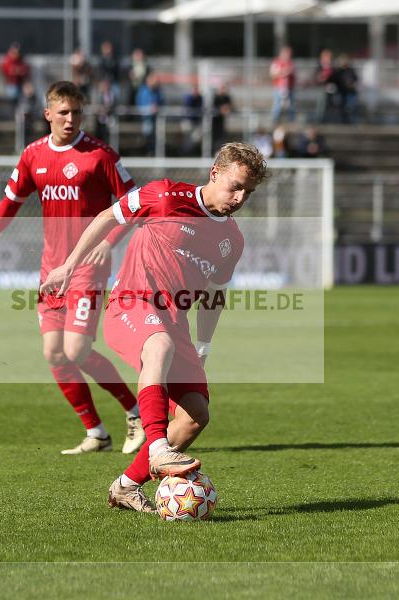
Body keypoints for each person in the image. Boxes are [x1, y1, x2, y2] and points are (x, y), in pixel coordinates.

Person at [39, 142, 269, 512]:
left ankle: (126, 486)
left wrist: (204, 345)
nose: (240, 198)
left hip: (174, 324)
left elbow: (215, 295)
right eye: (235, 187)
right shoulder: (164, 195)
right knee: (158, 346)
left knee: (195, 416)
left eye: (248, 192)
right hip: (130, 305)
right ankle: (158, 447)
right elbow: (108, 217)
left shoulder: (232, 240)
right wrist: (69, 265)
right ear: (215, 174)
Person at [0, 81, 145, 456]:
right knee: (53, 353)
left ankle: (135, 412)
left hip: (87, 267)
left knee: (76, 349)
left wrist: (107, 242)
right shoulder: (33, 155)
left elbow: (134, 203)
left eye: (76, 112)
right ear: (47, 113)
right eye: (63, 112)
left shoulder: (100, 155)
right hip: (52, 270)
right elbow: (11, 201)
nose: (70, 119)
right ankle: (96, 432)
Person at [135, 73, 163, 156]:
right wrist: (149, 109)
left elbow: (161, 102)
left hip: (155, 117)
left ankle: (152, 151)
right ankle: (147, 150)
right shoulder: (142, 91)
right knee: (148, 129)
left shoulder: (158, 91)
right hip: (145, 118)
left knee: (157, 130)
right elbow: (140, 105)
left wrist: (157, 107)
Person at [0, 43, 30, 113]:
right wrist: (13, 71)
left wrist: (20, 71)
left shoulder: (21, 60)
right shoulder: (7, 59)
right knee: (13, 100)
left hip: (19, 83)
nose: (16, 54)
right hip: (11, 83)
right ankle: (13, 113)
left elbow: (25, 69)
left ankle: (17, 114)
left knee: (20, 101)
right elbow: (5, 70)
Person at [270, 45, 296, 124]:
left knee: (291, 105)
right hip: (278, 87)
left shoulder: (291, 63)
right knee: (277, 104)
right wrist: (283, 72)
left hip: (289, 87)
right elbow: (272, 75)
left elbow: (294, 75)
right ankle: (275, 120)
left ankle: (291, 121)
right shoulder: (276, 62)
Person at [334, 54, 359, 124]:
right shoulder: (338, 72)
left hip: (351, 93)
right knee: (341, 107)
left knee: (352, 107)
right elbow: (336, 82)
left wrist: (351, 84)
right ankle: (343, 122)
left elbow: (356, 80)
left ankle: (353, 122)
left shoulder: (351, 70)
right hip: (342, 93)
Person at [314, 49, 336, 124]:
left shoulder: (332, 68)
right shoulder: (320, 67)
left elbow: (335, 78)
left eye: (329, 58)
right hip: (322, 89)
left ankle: (329, 121)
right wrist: (322, 77)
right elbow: (317, 78)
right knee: (321, 106)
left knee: (330, 106)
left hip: (331, 90)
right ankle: (319, 121)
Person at [211, 84, 233, 152]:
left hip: (222, 120)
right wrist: (220, 110)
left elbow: (230, 107)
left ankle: (219, 150)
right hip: (214, 120)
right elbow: (212, 108)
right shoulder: (215, 97)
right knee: (214, 135)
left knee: (221, 135)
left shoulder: (226, 97)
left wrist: (226, 110)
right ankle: (214, 150)